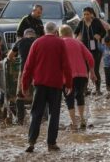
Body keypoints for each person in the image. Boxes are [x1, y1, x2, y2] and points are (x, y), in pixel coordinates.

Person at [22, 22, 72, 153]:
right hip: (55, 85)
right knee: (53, 114)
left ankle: (31, 142)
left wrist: (24, 85)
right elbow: (66, 65)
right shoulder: (60, 43)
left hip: (39, 84)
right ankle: (51, 143)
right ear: (56, 31)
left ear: (44, 31)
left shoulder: (37, 43)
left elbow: (28, 66)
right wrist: (69, 84)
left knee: (36, 113)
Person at [59, 25, 95, 130]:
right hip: (82, 75)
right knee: (80, 96)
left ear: (61, 34)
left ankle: (74, 122)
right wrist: (92, 72)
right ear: (71, 33)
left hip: (67, 76)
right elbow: (90, 58)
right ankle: (82, 119)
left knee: (68, 98)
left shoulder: (60, 44)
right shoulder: (79, 43)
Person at [7, 28, 37, 125]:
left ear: (25, 35)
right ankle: (40, 119)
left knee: (20, 95)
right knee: (38, 94)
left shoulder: (20, 41)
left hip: (24, 71)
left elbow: (9, 56)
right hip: (38, 72)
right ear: (34, 35)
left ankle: (20, 120)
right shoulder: (38, 41)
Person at [75, 7, 106, 95]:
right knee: (85, 70)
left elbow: (103, 32)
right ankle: (85, 89)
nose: (86, 16)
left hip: (96, 49)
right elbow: (75, 32)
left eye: (87, 14)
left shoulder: (96, 21)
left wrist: (99, 35)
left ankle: (98, 89)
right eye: (84, 14)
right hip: (84, 49)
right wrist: (76, 39)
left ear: (91, 14)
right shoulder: (81, 22)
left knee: (95, 69)